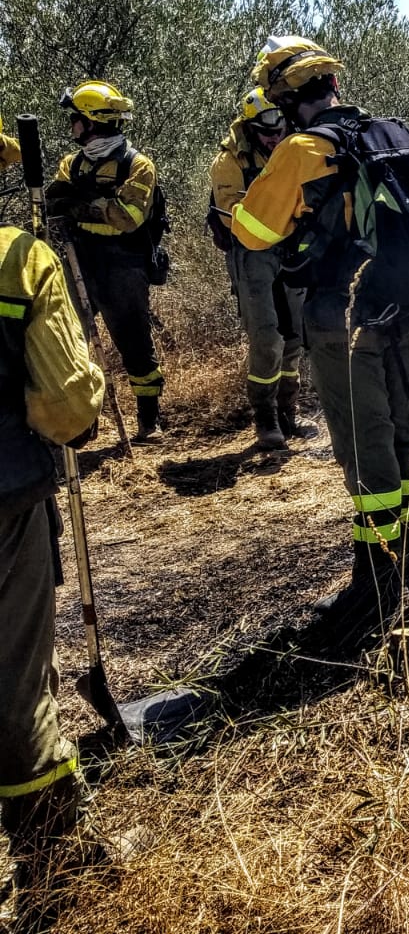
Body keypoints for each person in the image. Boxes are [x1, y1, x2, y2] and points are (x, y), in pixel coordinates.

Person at [230, 36, 409, 653]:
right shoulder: (389, 133)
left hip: (344, 318)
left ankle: (375, 582)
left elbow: (253, 229)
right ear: (333, 85)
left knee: (360, 440)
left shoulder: (300, 149)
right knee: (405, 425)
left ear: (288, 97)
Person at [0, 223, 106, 916]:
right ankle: (55, 854)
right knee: (12, 679)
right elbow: (69, 407)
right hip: (4, 500)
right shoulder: (18, 259)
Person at [43, 81, 166, 442]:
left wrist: (81, 206)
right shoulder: (72, 163)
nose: (72, 126)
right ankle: (84, 422)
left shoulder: (138, 166)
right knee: (72, 342)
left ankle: (150, 419)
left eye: (76, 119)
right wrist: (89, 207)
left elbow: (128, 217)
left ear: (93, 122)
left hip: (123, 266)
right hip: (78, 260)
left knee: (135, 344)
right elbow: (55, 204)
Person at [208, 88, 311, 451]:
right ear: (250, 128)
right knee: (267, 336)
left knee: (295, 333)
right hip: (252, 255)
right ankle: (264, 416)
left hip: (292, 250)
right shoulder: (229, 162)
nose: (273, 136)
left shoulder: (296, 147)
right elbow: (231, 211)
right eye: (265, 131)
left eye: (278, 128)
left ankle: (289, 410)